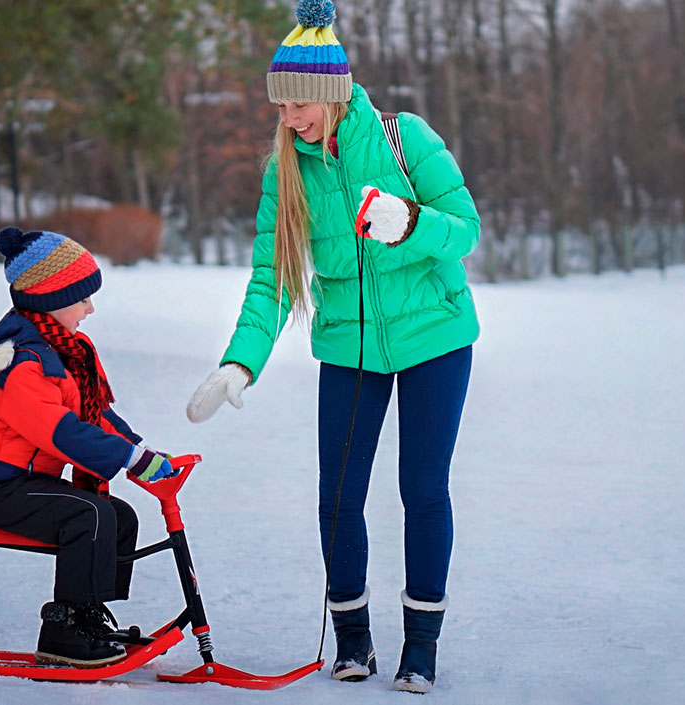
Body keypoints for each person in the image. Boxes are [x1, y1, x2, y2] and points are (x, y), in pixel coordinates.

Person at [185, 0, 479, 695]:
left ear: (331, 93)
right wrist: (240, 360)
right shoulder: (285, 173)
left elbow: (464, 229)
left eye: (298, 104)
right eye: (281, 106)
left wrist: (409, 221)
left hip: (435, 339)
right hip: (348, 350)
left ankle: (422, 646)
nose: (289, 118)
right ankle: (353, 641)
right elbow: (272, 278)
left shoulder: (406, 139)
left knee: (421, 489)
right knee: (338, 497)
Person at [0, 226, 177, 668]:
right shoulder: (21, 362)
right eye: (82, 297)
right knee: (87, 514)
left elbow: (92, 414)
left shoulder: (61, 352)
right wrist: (127, 459)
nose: (91, 307)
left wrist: (145, 454)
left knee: (119, 517)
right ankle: (63, 629)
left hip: (29, 483)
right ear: (50, 298)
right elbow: (59, 430)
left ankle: (88, 615)